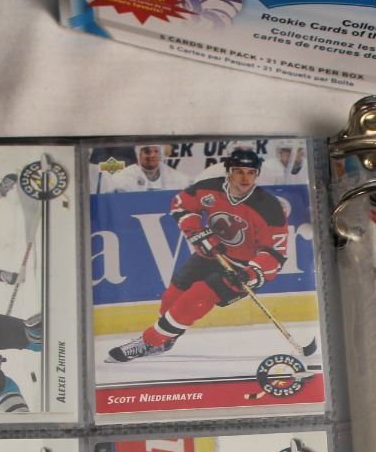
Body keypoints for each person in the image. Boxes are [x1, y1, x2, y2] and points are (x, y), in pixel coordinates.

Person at [107, 148, 290, 361]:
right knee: (173, 294)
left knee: (198, 295)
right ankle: (165, 338)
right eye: (239, 171)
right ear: (229, 171)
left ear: (257, 174)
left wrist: (250, 273)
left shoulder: (270, 208)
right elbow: (181, 204)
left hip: (242, 269)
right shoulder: (209, 188)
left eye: (251, 172)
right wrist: (196, 233)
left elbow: (275, 253)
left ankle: (150, 341)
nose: (245, 178)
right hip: (212, 255)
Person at [99, 144, 178, 193]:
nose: (152, 155)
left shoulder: (174, 177)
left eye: (156, 152)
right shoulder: (121, 178)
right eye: (148, 152)